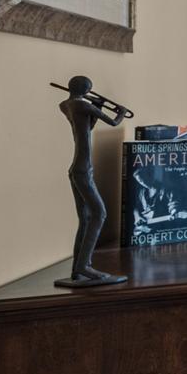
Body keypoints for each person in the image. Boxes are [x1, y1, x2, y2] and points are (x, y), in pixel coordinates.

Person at [55, 76, 130, 288]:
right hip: (83, 168)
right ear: (86, 89)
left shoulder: (67, 105)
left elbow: (86, 128)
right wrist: (121, 111)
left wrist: (95, 106)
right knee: (99, 213)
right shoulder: (82, 105)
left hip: (76, 166)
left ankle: (78, 269)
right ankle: (85, 267)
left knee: (86, 217)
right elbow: (114, 122)